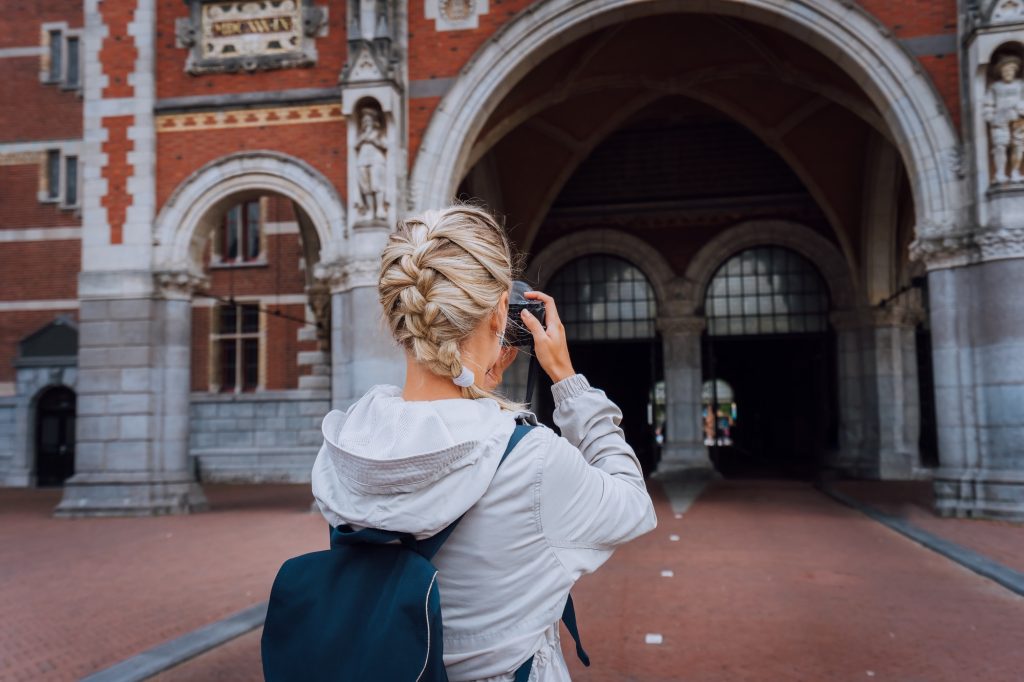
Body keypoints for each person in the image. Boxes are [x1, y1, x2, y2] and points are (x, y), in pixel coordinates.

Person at [311, 205, 657, 681]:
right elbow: (633, 505)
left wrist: (480, 376)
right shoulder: (530, 458)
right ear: (500, 311)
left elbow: (439, 424)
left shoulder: (346, 443)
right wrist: (567, 380)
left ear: (399, 317)